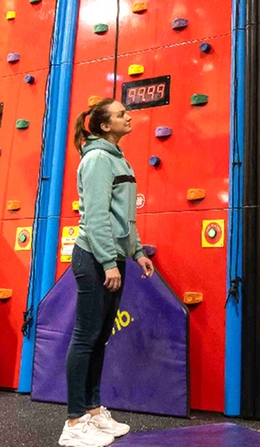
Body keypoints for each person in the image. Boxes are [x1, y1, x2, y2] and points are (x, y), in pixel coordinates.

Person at [58, 98, 155, 447]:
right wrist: (109, 261)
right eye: (120, 114)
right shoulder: (98, 159)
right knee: (86, 337)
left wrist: (137, 252)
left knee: (100, 337)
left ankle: (93, 411)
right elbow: (96, 216)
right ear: (104, 126)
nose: (128, 116)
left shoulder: (117, 158)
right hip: (94, 258)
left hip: (113, 256)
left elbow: (123, 216)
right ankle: (74, 422)